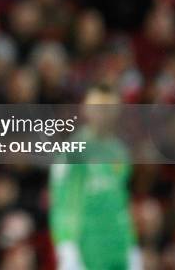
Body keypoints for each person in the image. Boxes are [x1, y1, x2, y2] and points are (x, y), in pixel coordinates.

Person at [49, 83, 141, 270]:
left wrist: (131, 243)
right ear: (86, 109)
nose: (103, 114)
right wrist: (65, 246)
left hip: (118, 242)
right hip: (85, 242)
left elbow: (121, 199)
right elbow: (60, 201)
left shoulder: (120, 151)